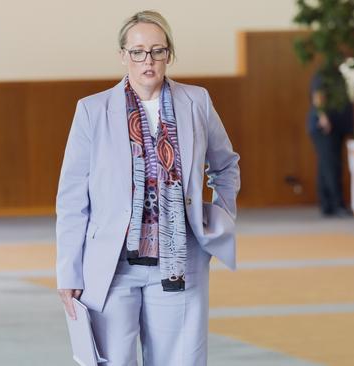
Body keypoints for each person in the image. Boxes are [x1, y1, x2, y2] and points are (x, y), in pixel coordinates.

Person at [56, 10, 240, 365]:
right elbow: (72, 200)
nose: (148, 60)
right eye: (138, 51)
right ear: (123, 55)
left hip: (178, 263)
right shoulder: (92, 111)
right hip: (112, 267)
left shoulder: (196, 102)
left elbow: (225, 165)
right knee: (113, 360)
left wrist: (219, 219)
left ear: (169, 54)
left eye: (157, 51)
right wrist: (68, 271)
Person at [308, 68, 354, 217]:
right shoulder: (325, 74)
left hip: (335, 127)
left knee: (326, 166)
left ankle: (327, 204)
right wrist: (323, 117)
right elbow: (318, 95)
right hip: (325, 128)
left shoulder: (337, 74)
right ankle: (336, 204)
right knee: (331, 166)